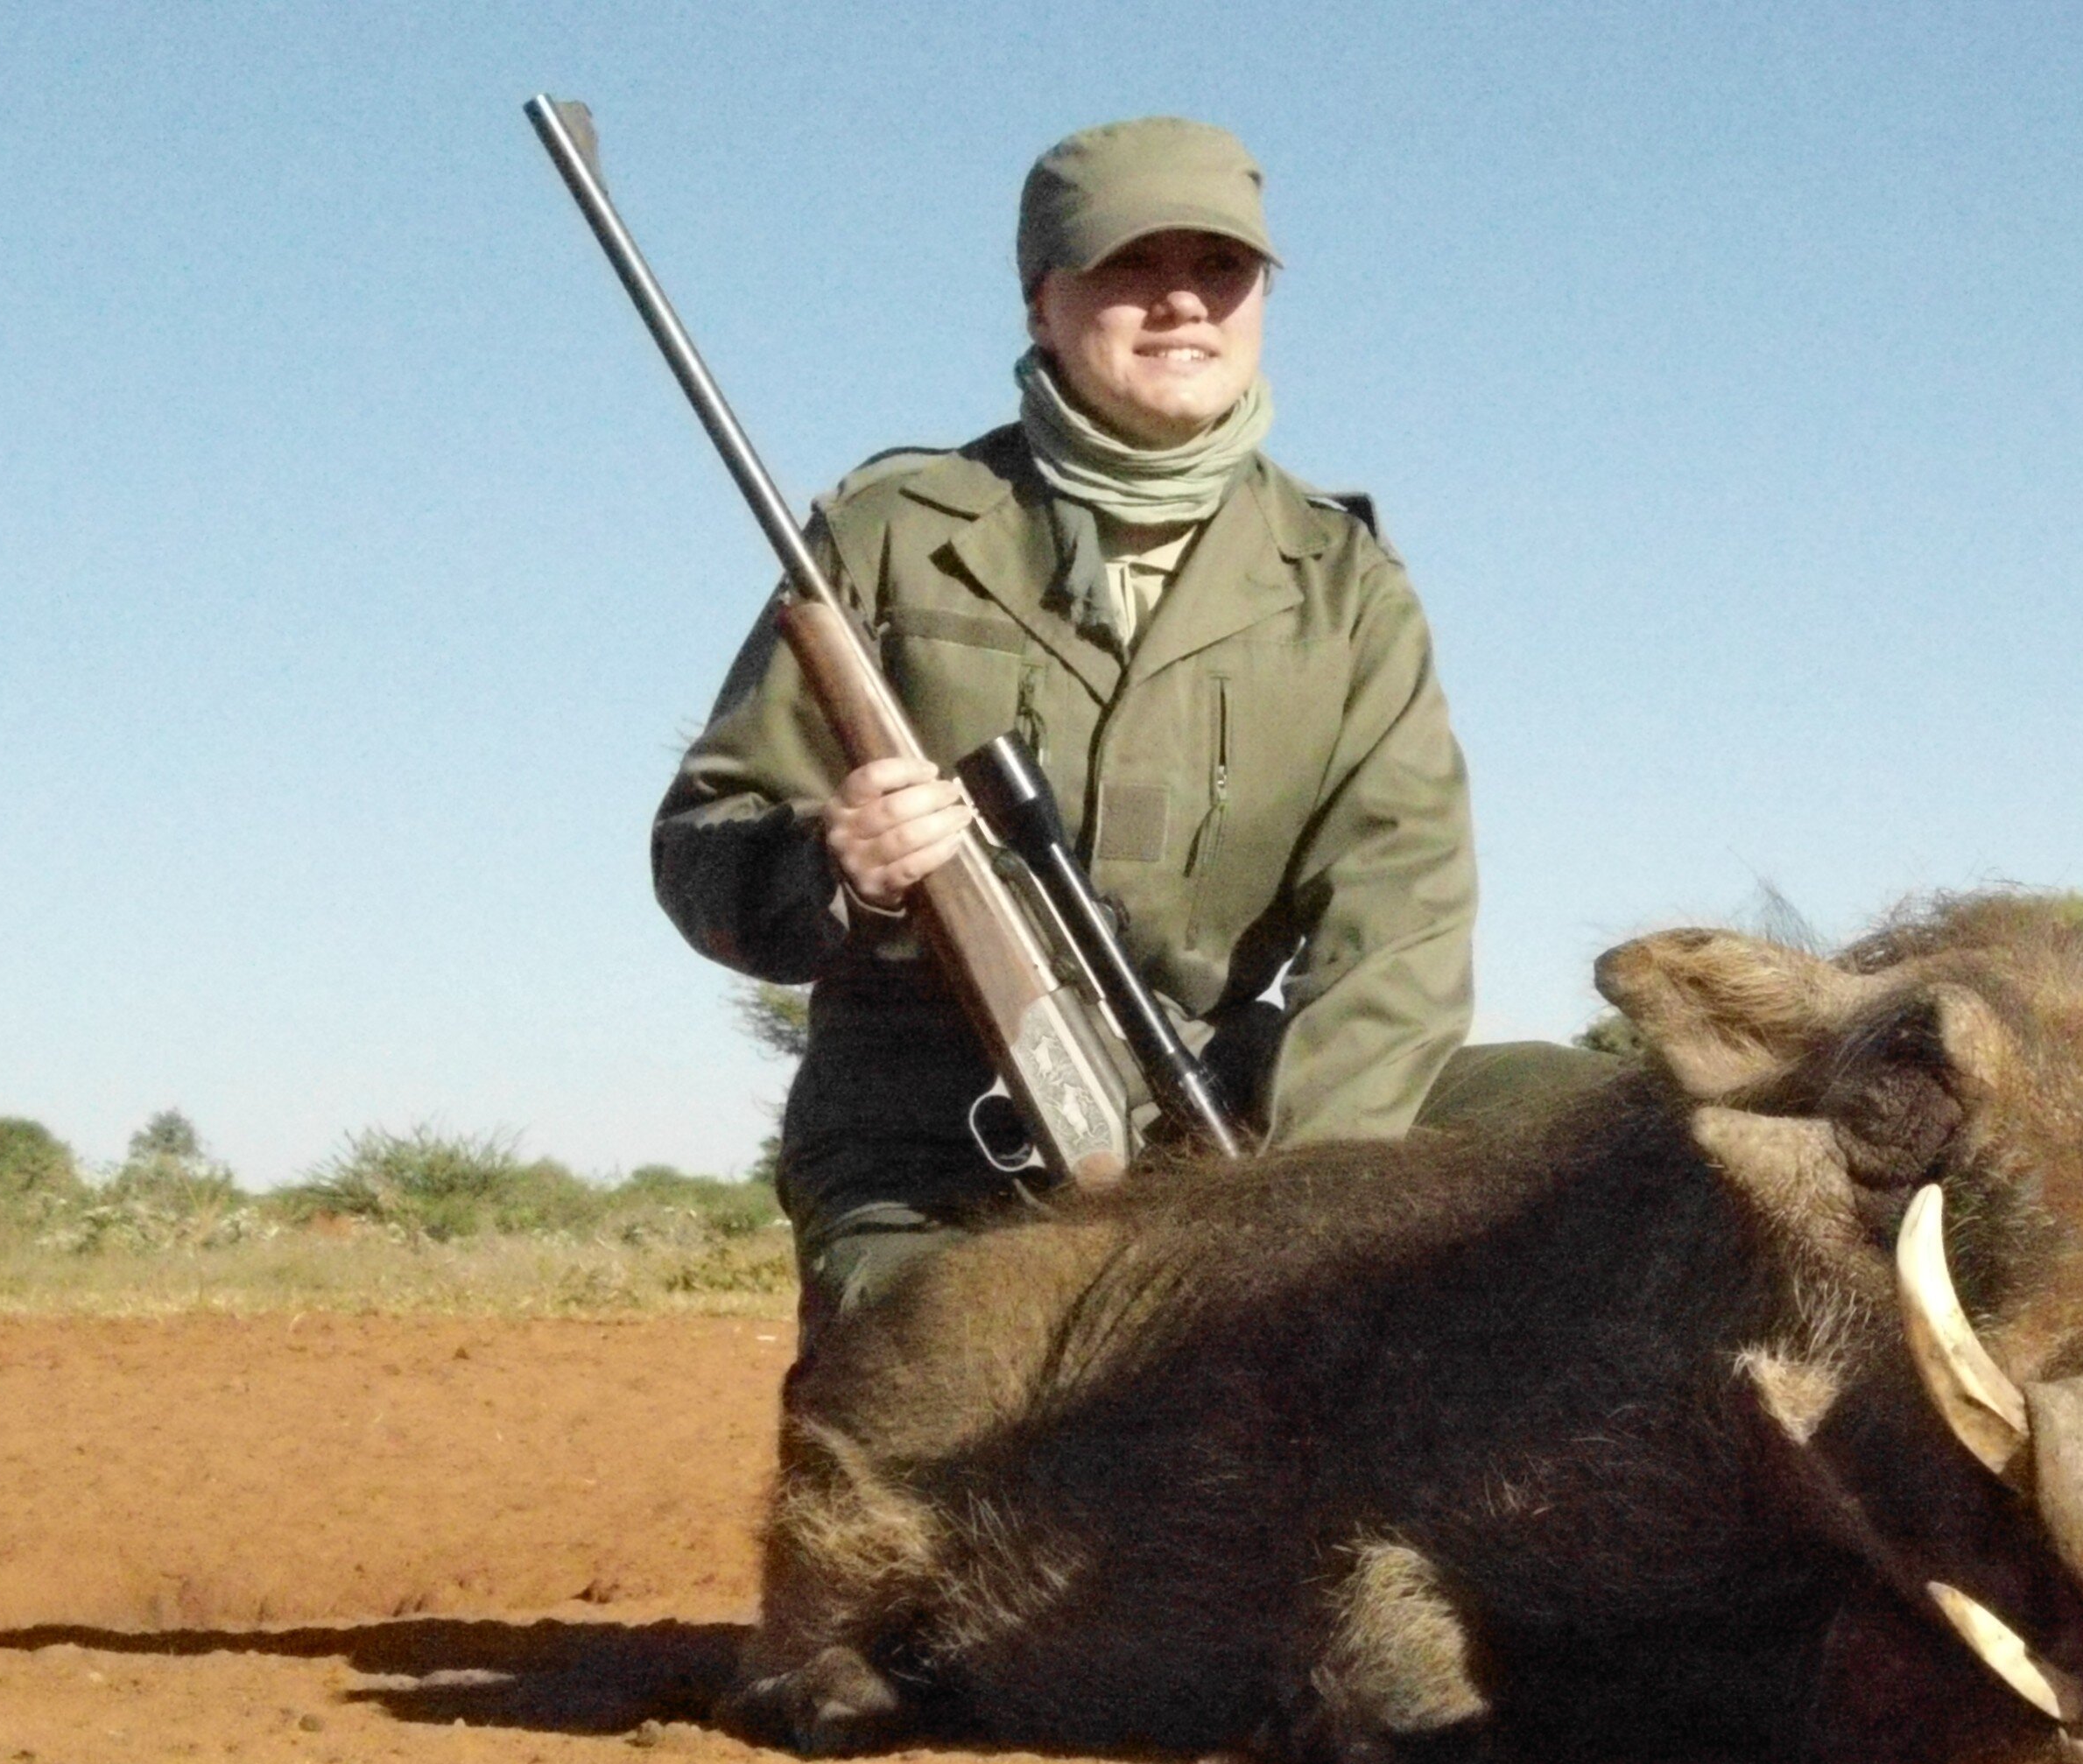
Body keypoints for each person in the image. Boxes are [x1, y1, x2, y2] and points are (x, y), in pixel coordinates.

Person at [654, 116, 1599, 1344]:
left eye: (1221, 271)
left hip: (1230, 1093)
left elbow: (1400, 925)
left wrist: (1296, 1210)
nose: (1182, 308)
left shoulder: (1344, 580)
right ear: (1041, 303)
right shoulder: (887, 534)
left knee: (1607, 1125)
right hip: (928, 1122)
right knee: (944, 1385)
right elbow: (701, 846)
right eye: (1129, 272)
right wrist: (835, 867)